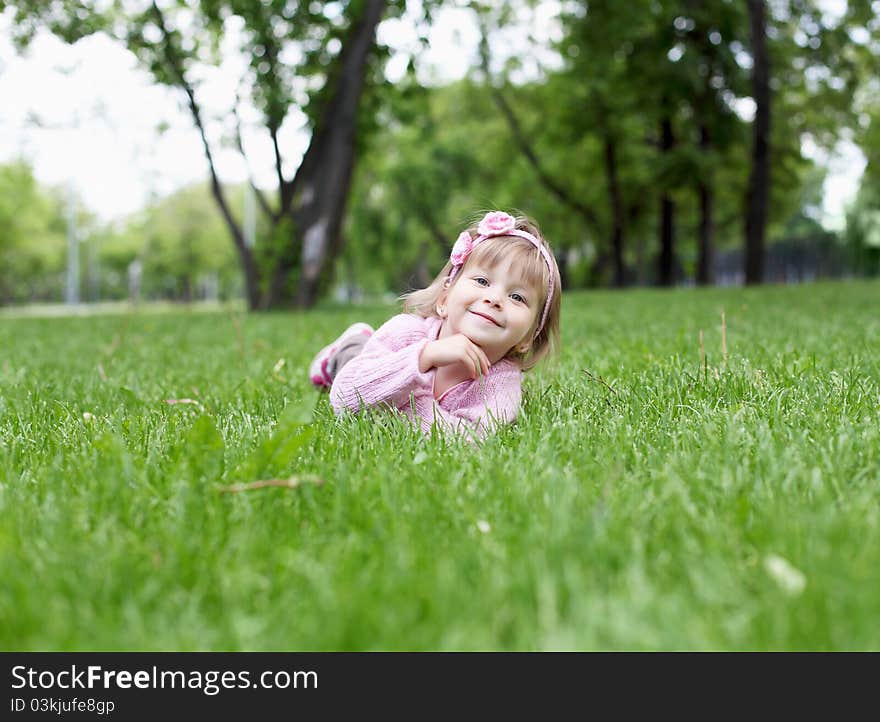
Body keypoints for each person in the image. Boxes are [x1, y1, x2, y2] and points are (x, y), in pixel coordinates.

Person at [308, 210, 561, 441]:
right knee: (353, 357)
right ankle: (348, 345)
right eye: (482, 281)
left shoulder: (501, 383)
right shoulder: (406, 332)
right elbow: (345, 398)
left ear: (528, 336)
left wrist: (402, 404)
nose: (494, 299)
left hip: (391, 381)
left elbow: (468, 440)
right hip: (372, 359)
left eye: (517, 297)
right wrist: (423, 357)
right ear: (443, 299)